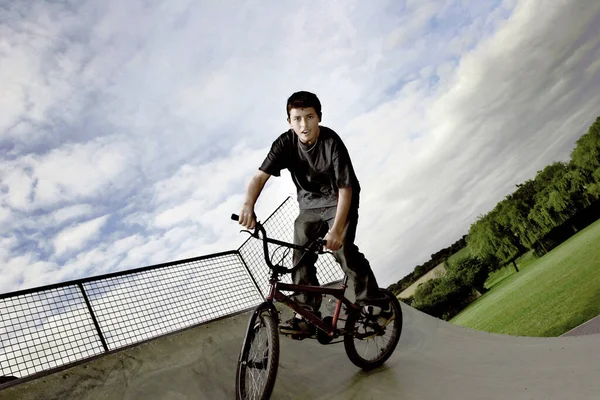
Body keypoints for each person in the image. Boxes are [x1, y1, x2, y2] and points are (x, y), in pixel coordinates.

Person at [238, 91, 386, 335]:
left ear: (319, 117)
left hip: (340, 201)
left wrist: (337, 230)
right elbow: (258, 177)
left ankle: (373, 301)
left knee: (342, 249)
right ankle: (306, 313)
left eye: (309, 117)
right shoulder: (284, 144)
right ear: (289, 121)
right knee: (300, 256)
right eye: (297, 119)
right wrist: (247, 205)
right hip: (309, 206)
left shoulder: (331, 142)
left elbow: (345, 189)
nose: (303, 125)